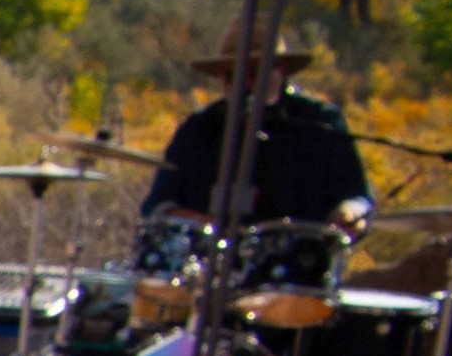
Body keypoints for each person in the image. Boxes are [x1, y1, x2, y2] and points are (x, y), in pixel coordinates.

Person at [142, 21, 370, 229]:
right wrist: (205, 224)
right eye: (231, 76)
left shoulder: (319, 122)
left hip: (299, 255)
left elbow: (356, 196)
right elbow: (157, 205)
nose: (243, 83)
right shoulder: (199, 129)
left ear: (280, 70)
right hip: (208, 255)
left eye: (254, 72)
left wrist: (348, 213)